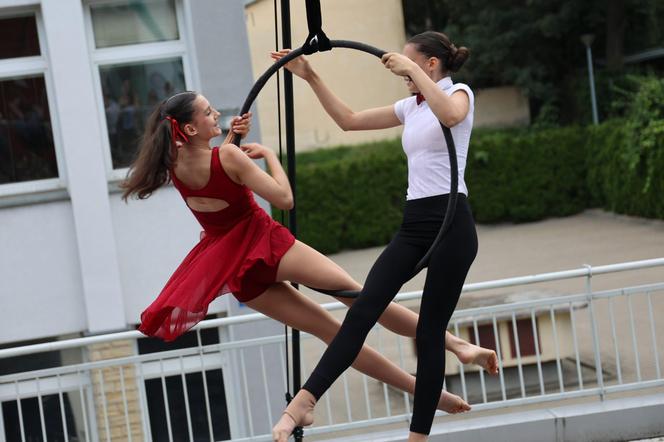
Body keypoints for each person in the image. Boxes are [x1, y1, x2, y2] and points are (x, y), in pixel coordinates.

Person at [120, 88, 495, 423]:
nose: (215, 113)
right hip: (263, 245)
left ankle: (429, 395)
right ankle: (457, 345)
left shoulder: (175, 167)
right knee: (362, 301)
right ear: (187, 129)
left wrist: (232, 140)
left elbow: (219, 178)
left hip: (235, 268)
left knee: (332, 333)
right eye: (207, 112)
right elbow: (283, 199)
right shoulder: (230, 157)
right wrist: (267, 155)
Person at [271, 31, 478, 442]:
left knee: (430, 332)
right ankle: (305, 401)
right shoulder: (411, 106)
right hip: (416, 223)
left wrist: (415, 74)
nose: (401, 68)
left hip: (452, 223)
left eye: (411, 61)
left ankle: (418, 436)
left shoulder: (459, 94)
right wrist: (311, 76)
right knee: (363, 309)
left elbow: (451, 118)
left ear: (430, 64)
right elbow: (348, 121)